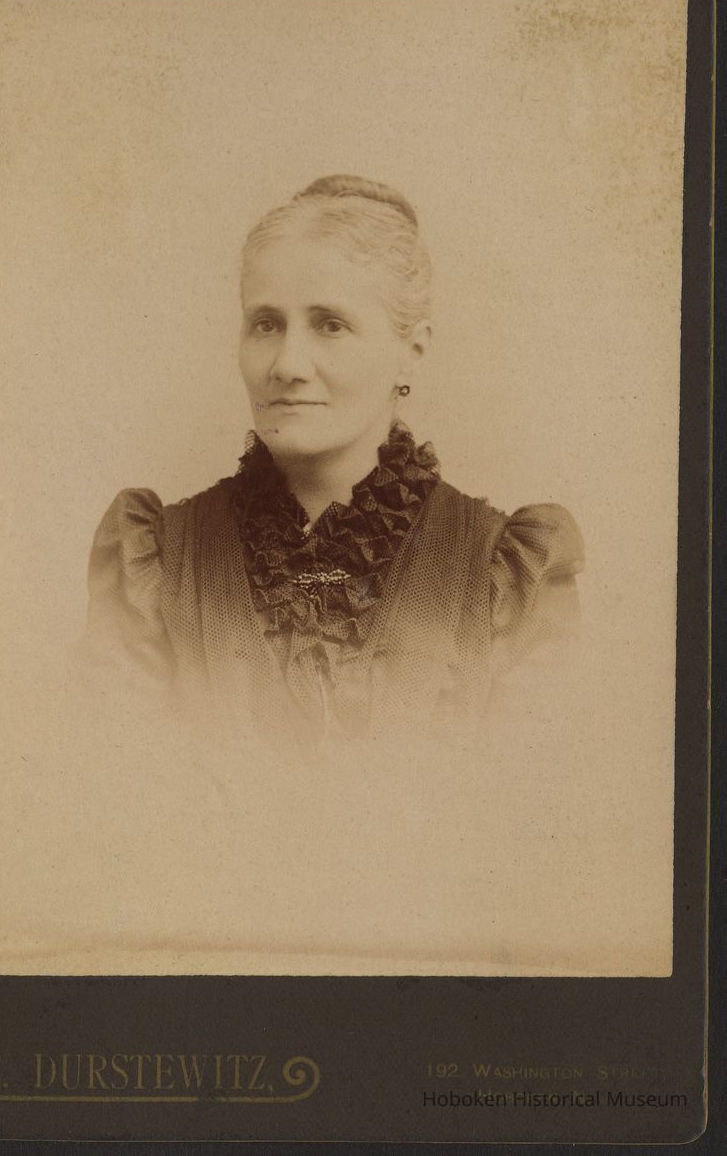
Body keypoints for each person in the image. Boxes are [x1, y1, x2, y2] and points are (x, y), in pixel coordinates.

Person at [83, 174, 584, 755]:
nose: (287, 365)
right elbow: (116, 782)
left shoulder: (505, 574)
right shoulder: (159, 560)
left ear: (411, 353)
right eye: (266, 324)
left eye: (330, 325)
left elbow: (532, 792)